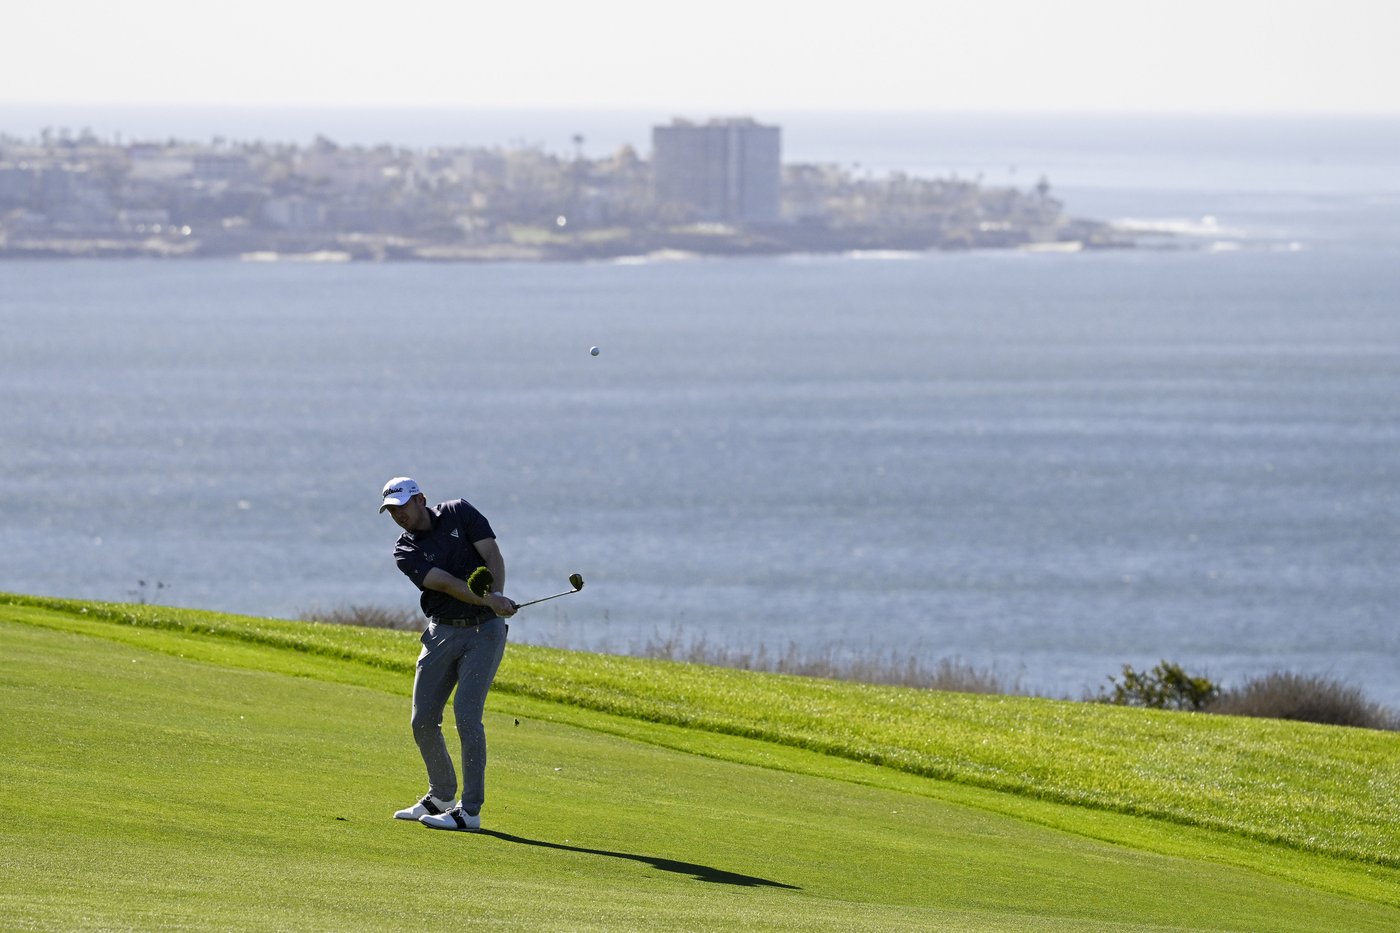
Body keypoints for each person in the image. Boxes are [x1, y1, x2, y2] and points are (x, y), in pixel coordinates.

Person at [379, 476, 517, 832]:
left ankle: (469, 811)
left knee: (466, 717)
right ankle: (440, 795)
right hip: (441, 630)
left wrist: (496, 595)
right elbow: (446, 584)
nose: (399, 516)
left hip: (484, 632)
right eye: (392, 511)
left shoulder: (460, 512)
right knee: (422, 719)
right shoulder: (404, 551)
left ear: (420, 499)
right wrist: (492, 599)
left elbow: (492, 554)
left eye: (403, 507)